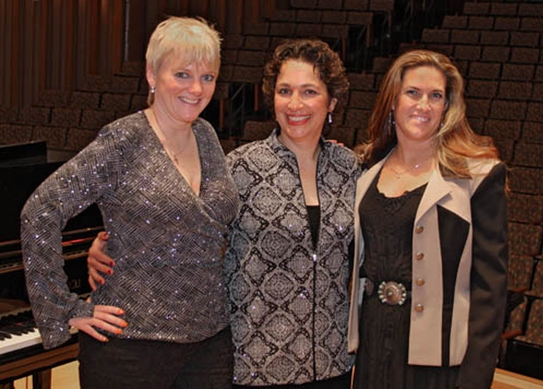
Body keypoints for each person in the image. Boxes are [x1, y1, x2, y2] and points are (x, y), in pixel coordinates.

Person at [88, 38, 361, 388]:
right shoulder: (237, 168)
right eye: (284, 91)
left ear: (332, 102)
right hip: (257, 362)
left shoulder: (350, 168)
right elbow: (175, 230)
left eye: (309, 92)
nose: (295, 104)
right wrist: (109, 247)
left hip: (331, 360)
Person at [21, 16, 239, 389]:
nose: (197, 89)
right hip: (129, 348)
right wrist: (64, 307)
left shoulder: (206, 135)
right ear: (152, 74)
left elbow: (207, 226)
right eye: (183, 74)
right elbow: (39, 211)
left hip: (210, 343)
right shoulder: (123, 141)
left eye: (208, 77)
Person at [348, 49, 508, 389]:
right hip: (373, 348)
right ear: (392, 101)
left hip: (438, 361)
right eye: (413, 93)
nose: (424, 105)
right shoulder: (363, 172)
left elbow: (490, 292)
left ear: (448, 107)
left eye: (436, 96)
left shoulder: (477, 178)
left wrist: (475, 379)